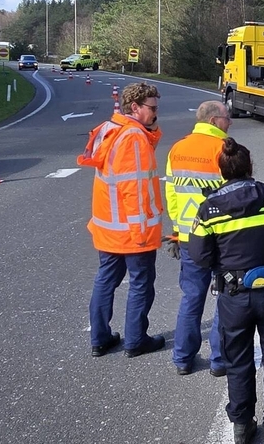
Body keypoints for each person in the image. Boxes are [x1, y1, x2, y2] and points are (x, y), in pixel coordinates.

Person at [189, 138, 264, 444]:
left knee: (238, 362)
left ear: (222, 170)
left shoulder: (209, 207)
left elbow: (200, 256)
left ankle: (242, 426)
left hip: (233, 296)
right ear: (249, 166)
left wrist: (224, 263)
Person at [78, 82, 166, 358]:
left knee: (106, 280)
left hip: (109, 227)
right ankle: (136, 341)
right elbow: (136, 189)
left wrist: (150, 130)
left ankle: (100, 338)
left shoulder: (111, 129)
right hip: (132, 230)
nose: (155, 113)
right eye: (151, 108)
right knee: (141, 283)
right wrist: (141, 233)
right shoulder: (133, 138)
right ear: (135, 107)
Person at [164, 100, 230, 376]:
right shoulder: (225, 149)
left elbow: (171, 194)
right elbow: (235, 195)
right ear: (215, 121)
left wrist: (179, 231)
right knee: (225, 297)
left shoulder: (177, 148)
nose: (231, 122)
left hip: (189, 237)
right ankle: (219, 360)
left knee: (191, 297)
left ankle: (182, 358)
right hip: (220, 238)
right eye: (227, 117)